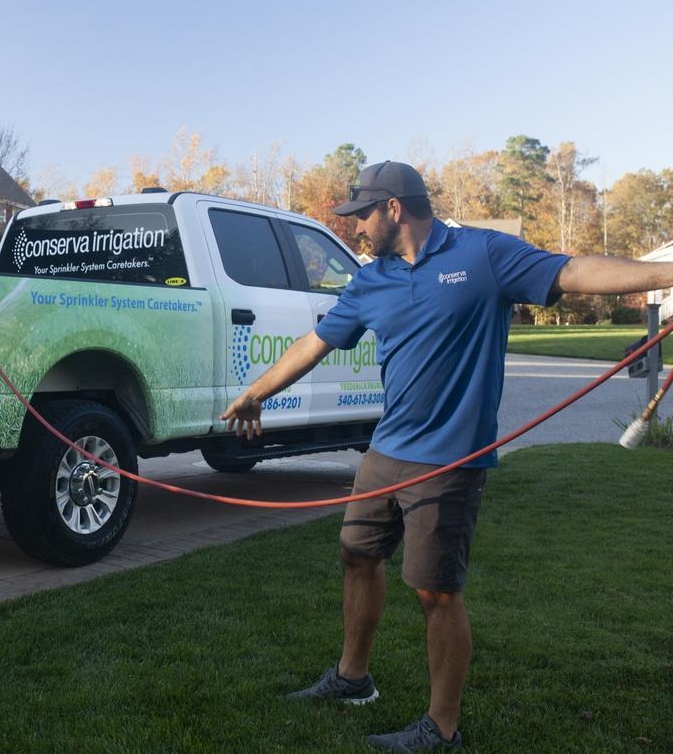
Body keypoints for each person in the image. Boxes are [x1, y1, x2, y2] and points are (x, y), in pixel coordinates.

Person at [221, 161, 673, 752]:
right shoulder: (371, 280)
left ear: (394, 208)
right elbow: (315, 342)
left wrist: (667, 271)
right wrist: (256, 391)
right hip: (387, 450)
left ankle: (442, 728)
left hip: (450, 458)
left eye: (362, 216)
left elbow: (574, 269)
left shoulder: (483, 255)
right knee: (356, 554)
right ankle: (353, 679)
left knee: (436, 591)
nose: (356, 229)